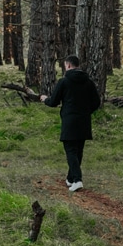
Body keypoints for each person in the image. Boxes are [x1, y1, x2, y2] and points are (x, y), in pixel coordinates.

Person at [40, 54, 101, 191]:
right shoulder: (89, 82)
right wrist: (86, 112)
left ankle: (78, 180)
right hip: (84, 121)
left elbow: (54, 102)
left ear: (67, 65)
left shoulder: (64, 82)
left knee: (71, 151)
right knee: (78, 150)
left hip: (69, 121)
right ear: (78, 65)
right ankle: (70, 178)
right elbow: (96, 102)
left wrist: (44, 99)